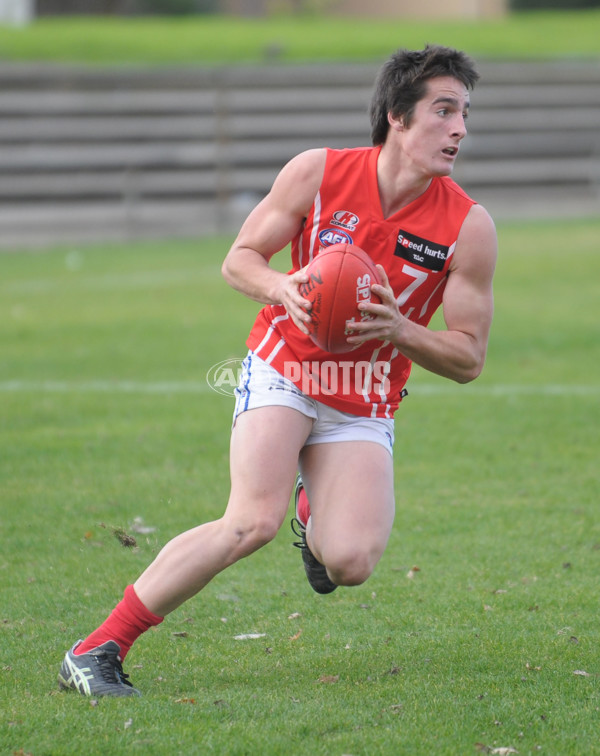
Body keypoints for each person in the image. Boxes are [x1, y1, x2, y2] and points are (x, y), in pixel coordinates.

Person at [57, 44, 497, 697]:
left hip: (363, 397)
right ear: (397, 118)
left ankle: (312, 505)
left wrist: (401, 329)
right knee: (249, 521)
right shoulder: (318, 173)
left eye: (465, 112)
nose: (461, 127)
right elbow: (240, 259)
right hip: (284, 368)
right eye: (444, 110)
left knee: (350, 561)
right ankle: (96, 649)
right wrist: (284, 287)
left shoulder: (468, 226)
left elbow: (468, 357)